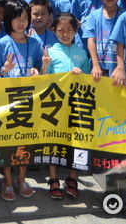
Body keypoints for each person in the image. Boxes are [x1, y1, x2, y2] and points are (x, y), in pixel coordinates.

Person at [0, 0, 42, 201]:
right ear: (8, 20)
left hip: (29, 99)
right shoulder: (1, 43)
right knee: (8, 143)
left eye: (25, 18)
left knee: (25, 143)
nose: (21, 22)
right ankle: (7, 179)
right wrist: (3, 70)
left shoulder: (35, 43)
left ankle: (21, 178)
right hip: (7, 100)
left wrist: (37, 71)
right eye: (17, 18)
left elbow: (40, 68)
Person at [41, 13, 89, 199]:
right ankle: (53, 178)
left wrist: (80, 74)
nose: (65, 34)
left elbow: (87, 80)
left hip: (76, 103)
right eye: (60, 30)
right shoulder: (50, 52)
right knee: (54, 139)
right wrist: (45, 66)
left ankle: (72, 177)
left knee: (74, 140)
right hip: (55, 103)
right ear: (54, 31)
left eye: (69, 30)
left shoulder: (81, 53)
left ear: (76, 31)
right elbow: (44, 79)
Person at [84, 0, 123, 83]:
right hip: (98, 70)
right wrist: (95, 65)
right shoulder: (93, 16)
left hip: (120, 70)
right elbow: (91, 41)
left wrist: (121, 68)